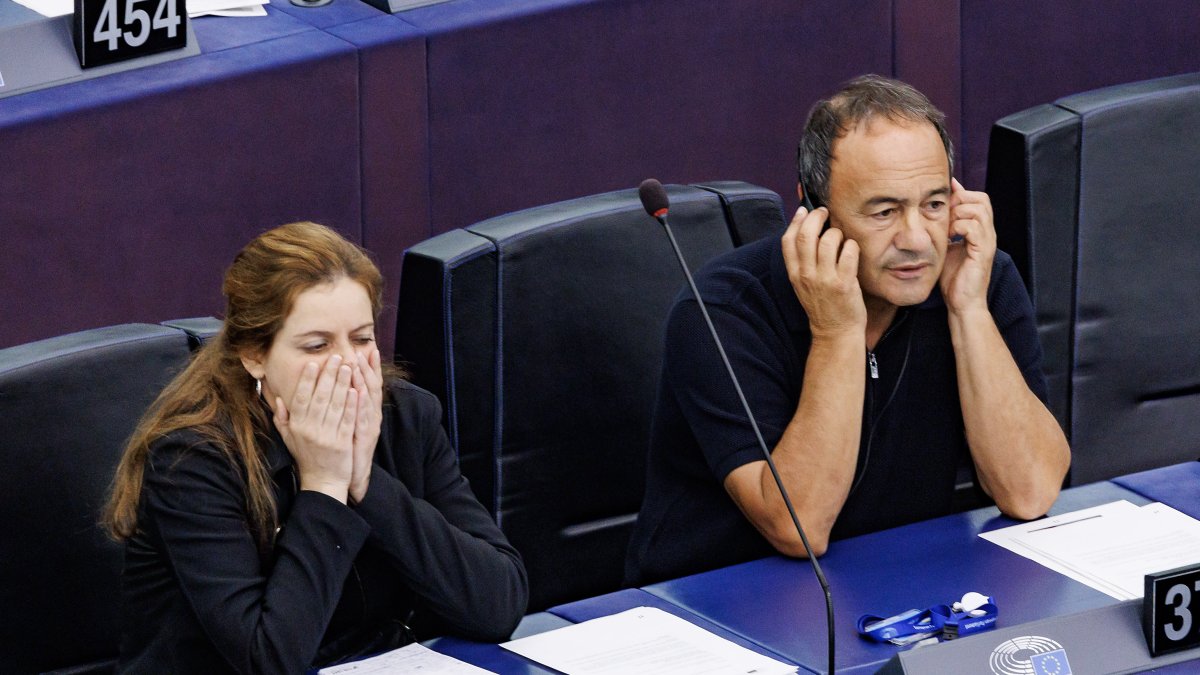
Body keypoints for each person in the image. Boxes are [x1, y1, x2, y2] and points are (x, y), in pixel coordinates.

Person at [626, 75, 1071, 585]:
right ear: (816, 212)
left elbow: (1031, 491)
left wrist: (968, 308)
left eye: (932, 204)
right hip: (724, 602)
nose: (916, 240)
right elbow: (799, 528)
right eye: (884, 211)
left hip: (898, 581)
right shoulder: (723, 311)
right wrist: (837, 331)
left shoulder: (978, 278)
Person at [105, 222, 528, 673]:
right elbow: (269, 658)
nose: (347, 364)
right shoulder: (194, 460)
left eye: (362, 339)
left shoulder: (406, 418)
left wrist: (366, 483)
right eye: (316, 345)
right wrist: (325, 484)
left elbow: (498, 605)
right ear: (254, 355)